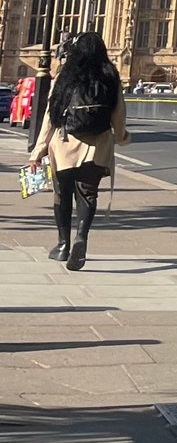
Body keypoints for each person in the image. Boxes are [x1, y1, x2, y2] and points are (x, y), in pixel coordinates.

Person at [27, 32, 128, 273]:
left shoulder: (65, 76)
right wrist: (122, 138)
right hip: (98, 143)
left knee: (61, 195)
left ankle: (63, 245)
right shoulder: (110, 76)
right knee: (88, 194)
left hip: (64, 143)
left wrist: (37, 152)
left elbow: (50, 117)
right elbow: (119, 114)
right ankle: (81, 237)